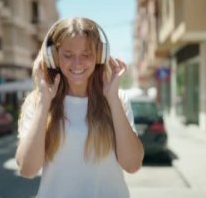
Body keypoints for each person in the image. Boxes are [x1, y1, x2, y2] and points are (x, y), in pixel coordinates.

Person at [15, 17, 144, 197]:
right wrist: (45, 102)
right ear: (53, 57)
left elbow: (132, 165)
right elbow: (27, 170)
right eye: (68, 55)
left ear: (100, 56)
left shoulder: (117, 99)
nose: (77, 63)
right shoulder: (38, 102)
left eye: (86, 54)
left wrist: (112, 99)